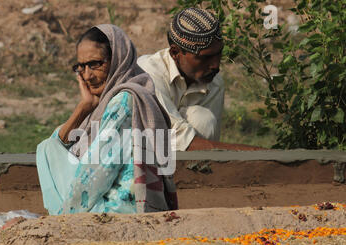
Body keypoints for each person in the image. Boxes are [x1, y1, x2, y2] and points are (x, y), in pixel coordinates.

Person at [36, 24, 178, 215]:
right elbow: (59, 142)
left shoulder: (124, 100)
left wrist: (65, 219)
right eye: (81, 67)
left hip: (118, 210)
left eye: (95, 64)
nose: (87, 76)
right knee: (48, 147)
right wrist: (83, 107)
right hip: (120, 205)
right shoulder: (129, 94)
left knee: (46, 148)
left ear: (118, 59)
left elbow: (97, 172)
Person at [138, 8, 262, 151]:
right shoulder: (148, 73)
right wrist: (256, 154)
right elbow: (172, 138)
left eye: (218, 54)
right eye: (205, 58)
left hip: (178, 161)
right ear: (175, 53)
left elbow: (206, 139)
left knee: (203, 119)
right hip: (138, 155)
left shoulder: (214, 82)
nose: (216, 65)